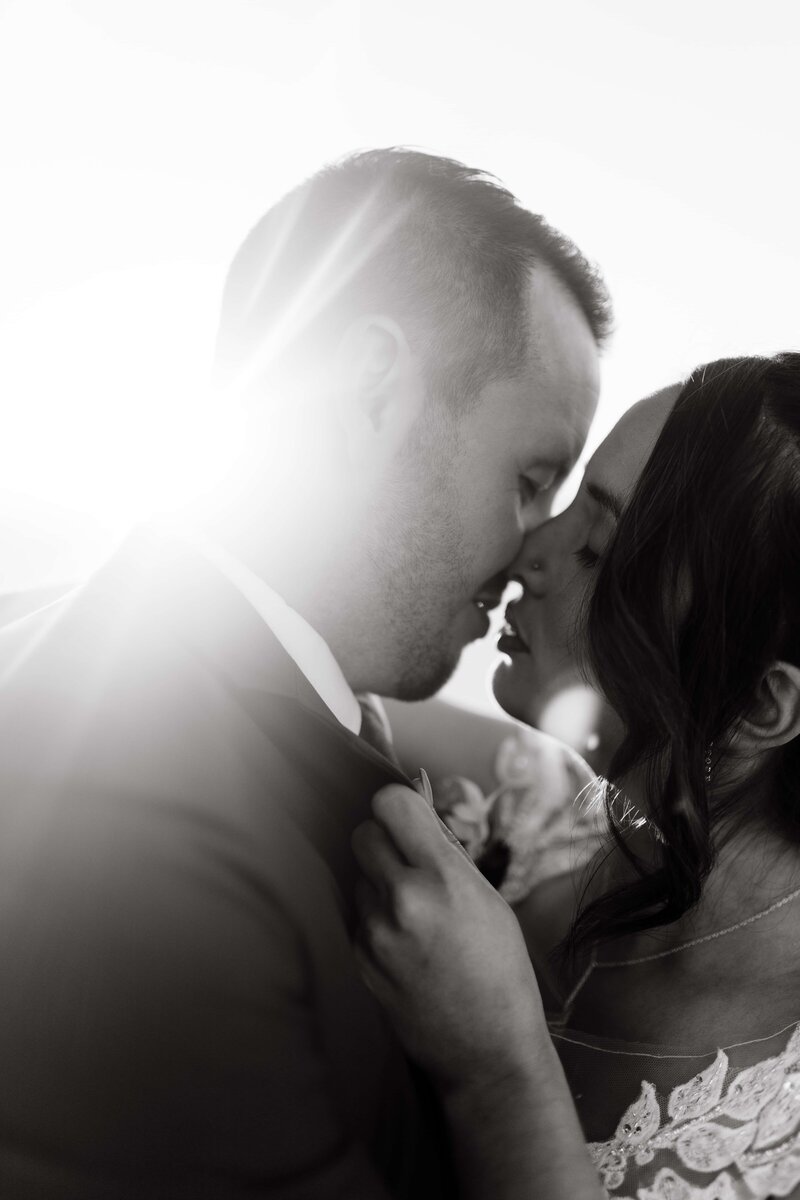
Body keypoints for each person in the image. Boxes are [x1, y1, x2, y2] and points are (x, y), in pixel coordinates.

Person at [0, 148, 609, 1198]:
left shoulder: (162, 678)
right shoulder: (149, 815)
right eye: (528, 480)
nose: (528, 556)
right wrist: (503, 1082)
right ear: (372, 391)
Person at [353, 353, 800, 1200]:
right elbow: (305, 686)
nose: (529, 550)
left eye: (596, 547)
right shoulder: (522, 815)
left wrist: (499, 1072)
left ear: (756, 704)